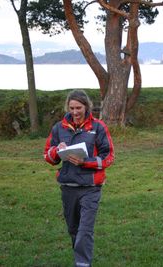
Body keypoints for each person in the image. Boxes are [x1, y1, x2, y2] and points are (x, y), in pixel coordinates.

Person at [44, 89, 114, 267]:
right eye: (72, 107)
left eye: (79, 108)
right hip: (68, 187)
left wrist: (85, 162)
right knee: (74, 230)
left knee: (84, 231)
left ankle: (82, 264)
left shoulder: (98, 127)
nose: (75, 112)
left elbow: (109, 157)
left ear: (87, 107)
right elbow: (48, 157)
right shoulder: (58, 128)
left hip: (90, 188)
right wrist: (57, 151)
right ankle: (80, 259)